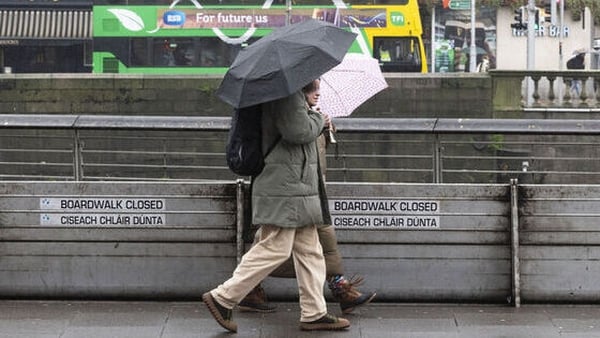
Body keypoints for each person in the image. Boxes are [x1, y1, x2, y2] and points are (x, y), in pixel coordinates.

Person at [202, 85, 350, 333]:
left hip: (295, 185)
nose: (317, 86)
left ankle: (314, 313)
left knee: (310, 250)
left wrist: (311, 116)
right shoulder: (286, 93)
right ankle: (223, 297)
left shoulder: (285, 92)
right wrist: (318, 119)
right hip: (285, 185)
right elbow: (298, 131)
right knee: (276, 246)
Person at [238, 79, 376, 315]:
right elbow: (298, 137)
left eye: (319, 88)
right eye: (312, 88)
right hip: (293, 192)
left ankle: (318, 306)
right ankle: (337, 290)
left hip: (309, 191)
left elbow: (315, 151)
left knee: (303, 248)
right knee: (282, 246)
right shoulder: (290, 112)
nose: (318, 93)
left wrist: (326, 127)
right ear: (300, 90)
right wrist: (317, 122)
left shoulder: (309, 115)